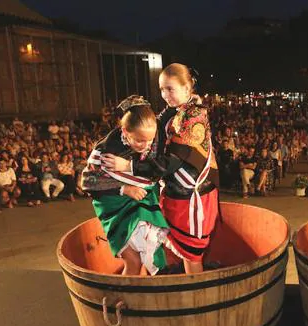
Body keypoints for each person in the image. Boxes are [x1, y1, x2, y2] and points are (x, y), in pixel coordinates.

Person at [102, 64, 219, 274]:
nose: (165, 95)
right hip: (178, 193)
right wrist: (134, 118)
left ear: (187, 87)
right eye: (162, 89)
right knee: (185, 252)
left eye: (170, 89)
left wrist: (129, 166)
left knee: (192, 254)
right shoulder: (177, 109)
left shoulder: (193, 117)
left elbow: (170, 162)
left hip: (193, 198)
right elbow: (154, 126)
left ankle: (197, 300)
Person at [81, 95, 169, 276]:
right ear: (125, 132)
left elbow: (158, 169)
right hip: (115, 205)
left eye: (150, 141)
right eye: (139, 141)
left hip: (142, 199)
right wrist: (124, 188)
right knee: (133, 260)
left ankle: (147, 295)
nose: (146, 146)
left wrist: (129, 167)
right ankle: (127, 300)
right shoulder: (107, 148)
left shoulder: (155, 133)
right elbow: (88, 181)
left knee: (147, 253)